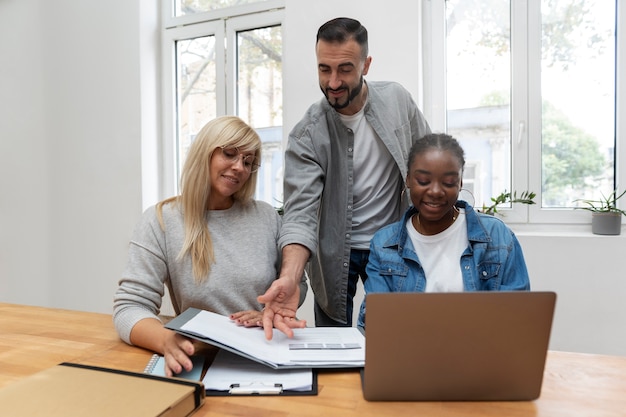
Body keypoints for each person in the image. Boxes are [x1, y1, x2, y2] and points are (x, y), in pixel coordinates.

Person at [258, 17, 431, 337]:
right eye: (324, 69)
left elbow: (428, 159)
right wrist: (290, 276)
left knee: (395, 335)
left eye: (345, 69)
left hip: (391, 243)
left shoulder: (397, 100)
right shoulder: (307, 134)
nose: (333, 82)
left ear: (366, 65)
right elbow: (300, 214)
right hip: (333, 253)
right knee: (333, 346)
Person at [113, 116, 307, 376]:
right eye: (229, 154)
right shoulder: (161, 220)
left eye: (248, 162)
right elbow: (130, 307)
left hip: (266, 355)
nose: (239, 167)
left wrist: (268, 313)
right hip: (200, 360)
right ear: (204, 152)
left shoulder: (267, 217)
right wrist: (165, 340)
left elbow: (297, 285)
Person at [356, 133, 531, 329]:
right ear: (408, 180)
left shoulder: (497, 236)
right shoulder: (384, 244)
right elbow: (375, 324)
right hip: (410, 357)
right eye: (423, 181)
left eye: (448, 183)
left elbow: (517, 319)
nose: (435, 191)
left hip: (481, 356)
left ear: (460, 183)